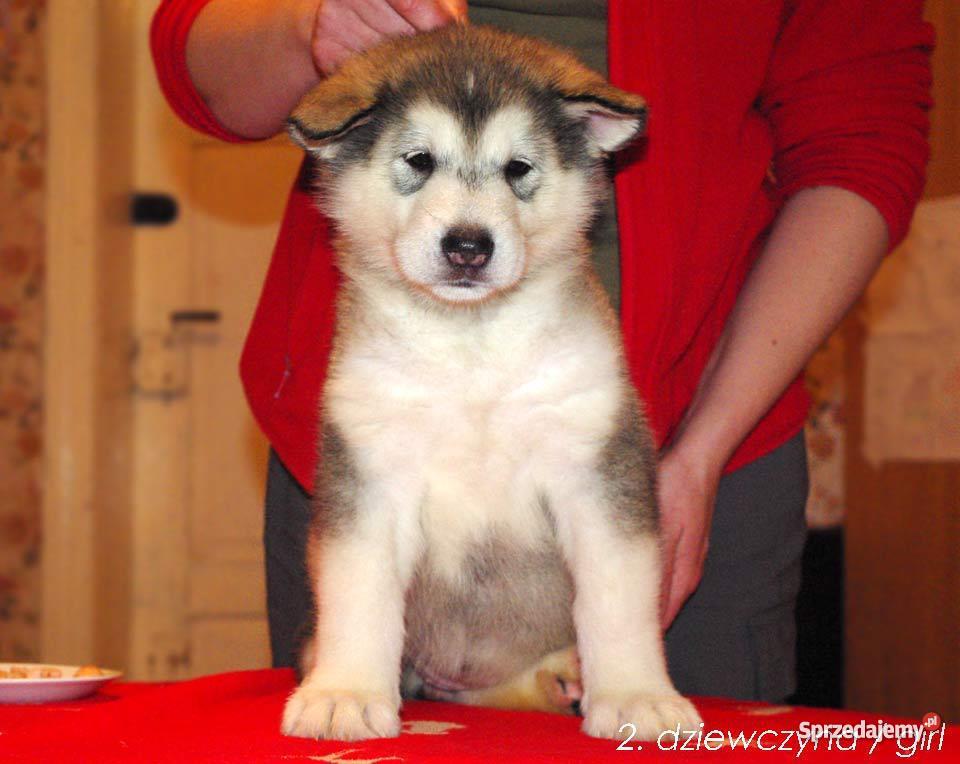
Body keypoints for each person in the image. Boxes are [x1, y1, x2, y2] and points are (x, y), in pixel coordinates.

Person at [151, 0, 933, 702]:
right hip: (380, 517)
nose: (466, 224)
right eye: (418, 165)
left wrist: (702, 451)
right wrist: (299, 23)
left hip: (704, 425)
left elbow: (863, 141)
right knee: (351, 704)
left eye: (516, 171)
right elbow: (189, 41)